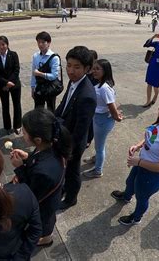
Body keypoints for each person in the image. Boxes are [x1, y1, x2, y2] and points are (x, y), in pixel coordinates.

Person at [112, 88, 159, 226]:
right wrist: (138, 146)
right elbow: (151, 137)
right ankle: (127, 196)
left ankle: (136, 217)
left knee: (142, 197)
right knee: (130, 182)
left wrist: (139, 161)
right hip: (141, 165)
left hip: (152, 175)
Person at [10, 108, 72, 246]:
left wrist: (20, 168)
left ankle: (46, 238)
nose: (22, 135)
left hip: (44, 204)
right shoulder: (50, 145)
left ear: (37, 140)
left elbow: (30, 194)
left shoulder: (44, 172)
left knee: (44, 222)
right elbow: (39, 159)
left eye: (24, 133)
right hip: (50, 194)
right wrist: (27, 158)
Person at [55, 46, 96, 210]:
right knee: (66, 171)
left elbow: (80, 130)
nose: (70, 70)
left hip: (73, 143)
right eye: (68, 65)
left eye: (76, 67)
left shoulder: (87, 95)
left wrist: (67, 150)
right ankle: (65, 188)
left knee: (72, 171)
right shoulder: (74, 82)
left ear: (87, 69)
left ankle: (71, 198)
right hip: (65, 135)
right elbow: (63, 105)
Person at [83, 59, 123, 178]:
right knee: (99, 144)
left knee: (99, 147)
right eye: (93, 68)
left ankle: (97, 171)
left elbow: (111, 105)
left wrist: (117, 116)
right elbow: (111, 103)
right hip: (99, 118)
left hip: (102, 121)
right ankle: (96, 158)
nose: (94, 71)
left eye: (97, 69)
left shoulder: (104, 88)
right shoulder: (101, 84)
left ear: (105, 71)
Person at [0, 35, 22, 135]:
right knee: (5, 106)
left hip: (14, 84)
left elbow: (16, 70)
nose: (1, 47)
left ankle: (17, 125)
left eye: (3, 44)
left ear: (7, 44)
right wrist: (6, 83)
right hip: (3, 86)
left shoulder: (13, 55)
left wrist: (9, 83)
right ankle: (7, 126)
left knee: (16, 105)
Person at [31, 31, 61, 112]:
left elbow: (54, 76)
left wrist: (40, 74)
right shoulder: (36, 56)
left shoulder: (54, 58)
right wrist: (32, 87)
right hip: (39, 87)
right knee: (38, 110)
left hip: (50, 88)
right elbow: (33, 73)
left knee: (50, 110)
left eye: (43, 42)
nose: (40, 44)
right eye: (38, 42)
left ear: (49, 43)